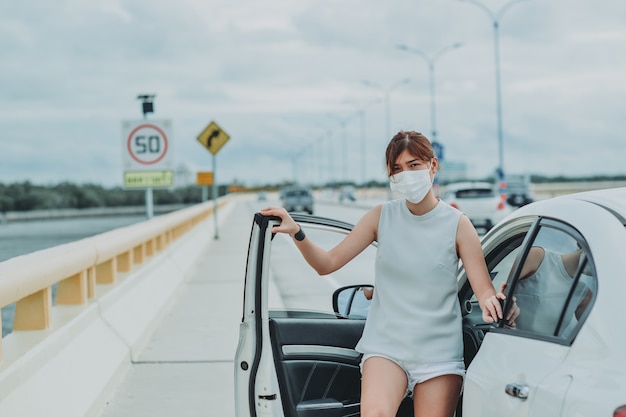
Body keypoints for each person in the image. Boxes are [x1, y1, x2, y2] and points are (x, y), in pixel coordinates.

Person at [260, 131, 515, 417]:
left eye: (414, 165)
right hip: (386, 347)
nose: (406, 174)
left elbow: (483, 291)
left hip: (439, 354)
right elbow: (327, 263)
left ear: (432, 166)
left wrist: (498, 302)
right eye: (397, 169)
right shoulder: (381, 216)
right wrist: (297, 232)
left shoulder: (458, 224)